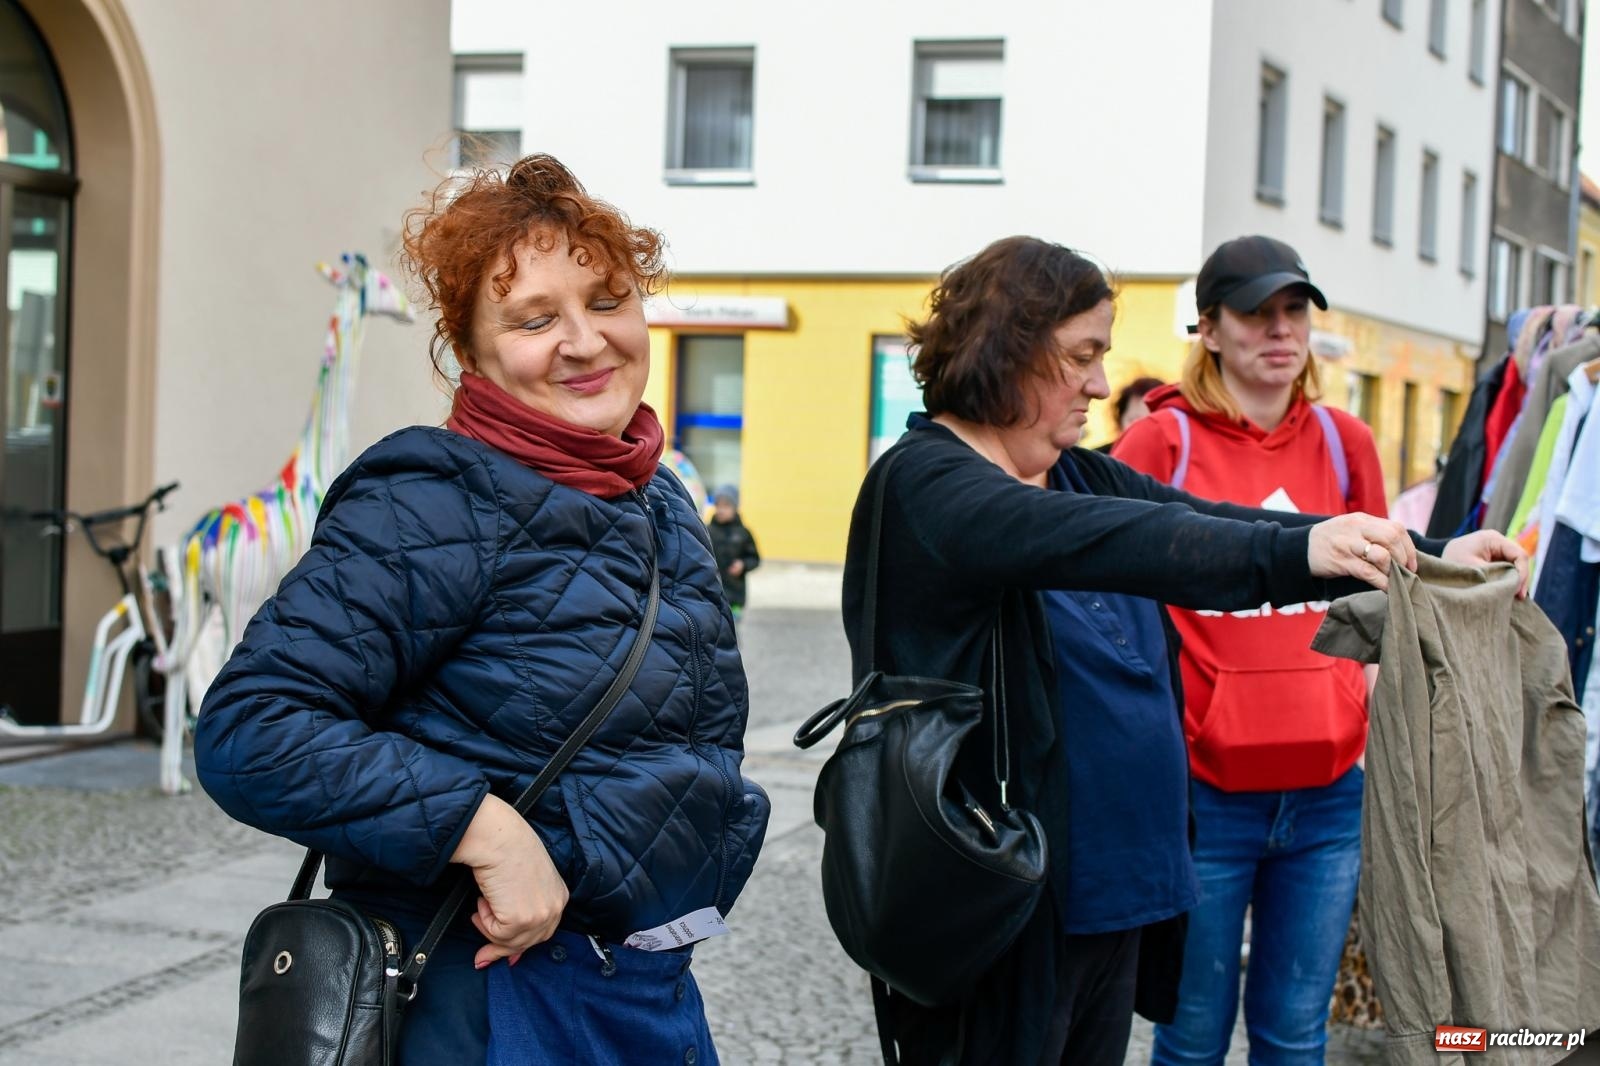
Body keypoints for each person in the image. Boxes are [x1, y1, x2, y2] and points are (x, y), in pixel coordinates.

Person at [839, 235, 1527, 1066]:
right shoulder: (926, 483)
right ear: (1007, 351)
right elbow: (1129, 542)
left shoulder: (1076, 473)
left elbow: (1221, 522)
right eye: (1081, 357)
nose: (1100, 383)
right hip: (1001, 905)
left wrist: (1432, 552)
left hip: (1110, 898)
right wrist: (1304, 557)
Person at [192, 154, 770, 1064]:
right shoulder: (432, 497)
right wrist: (483, 827)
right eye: (535, 318)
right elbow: (251, 729)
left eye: (609, 300)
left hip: (645, 995)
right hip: (487, 1002)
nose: (585, 341)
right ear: (473, 354)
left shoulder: (657, 501)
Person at [1114, 234, 1382, 1064]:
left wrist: (1361, 690)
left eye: (1293, 309)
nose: (1279, 330)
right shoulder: (1163, 443)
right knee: (1191, 1039)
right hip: (1204, 800)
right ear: (1209, 329)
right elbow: (1106, 599)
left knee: (1295, 1037)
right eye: (1255, 312)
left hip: (1329, 794)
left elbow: (1384, 592)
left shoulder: (1346, 443)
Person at [707, 484, 761, 618]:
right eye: (718, 505)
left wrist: (743, 565)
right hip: (712, 594)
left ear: (735, 507)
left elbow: (754, 558)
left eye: (726, 505)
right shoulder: (707, 531)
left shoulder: (743, 533)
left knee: (734, 632)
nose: (721, 510)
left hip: (735, 595)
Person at [1093, 376, 1164, 453]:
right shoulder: (1095, 461)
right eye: (1134, 420)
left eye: (1152, 422)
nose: (1142, 429)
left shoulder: (1176, 460)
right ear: (1120, 421)